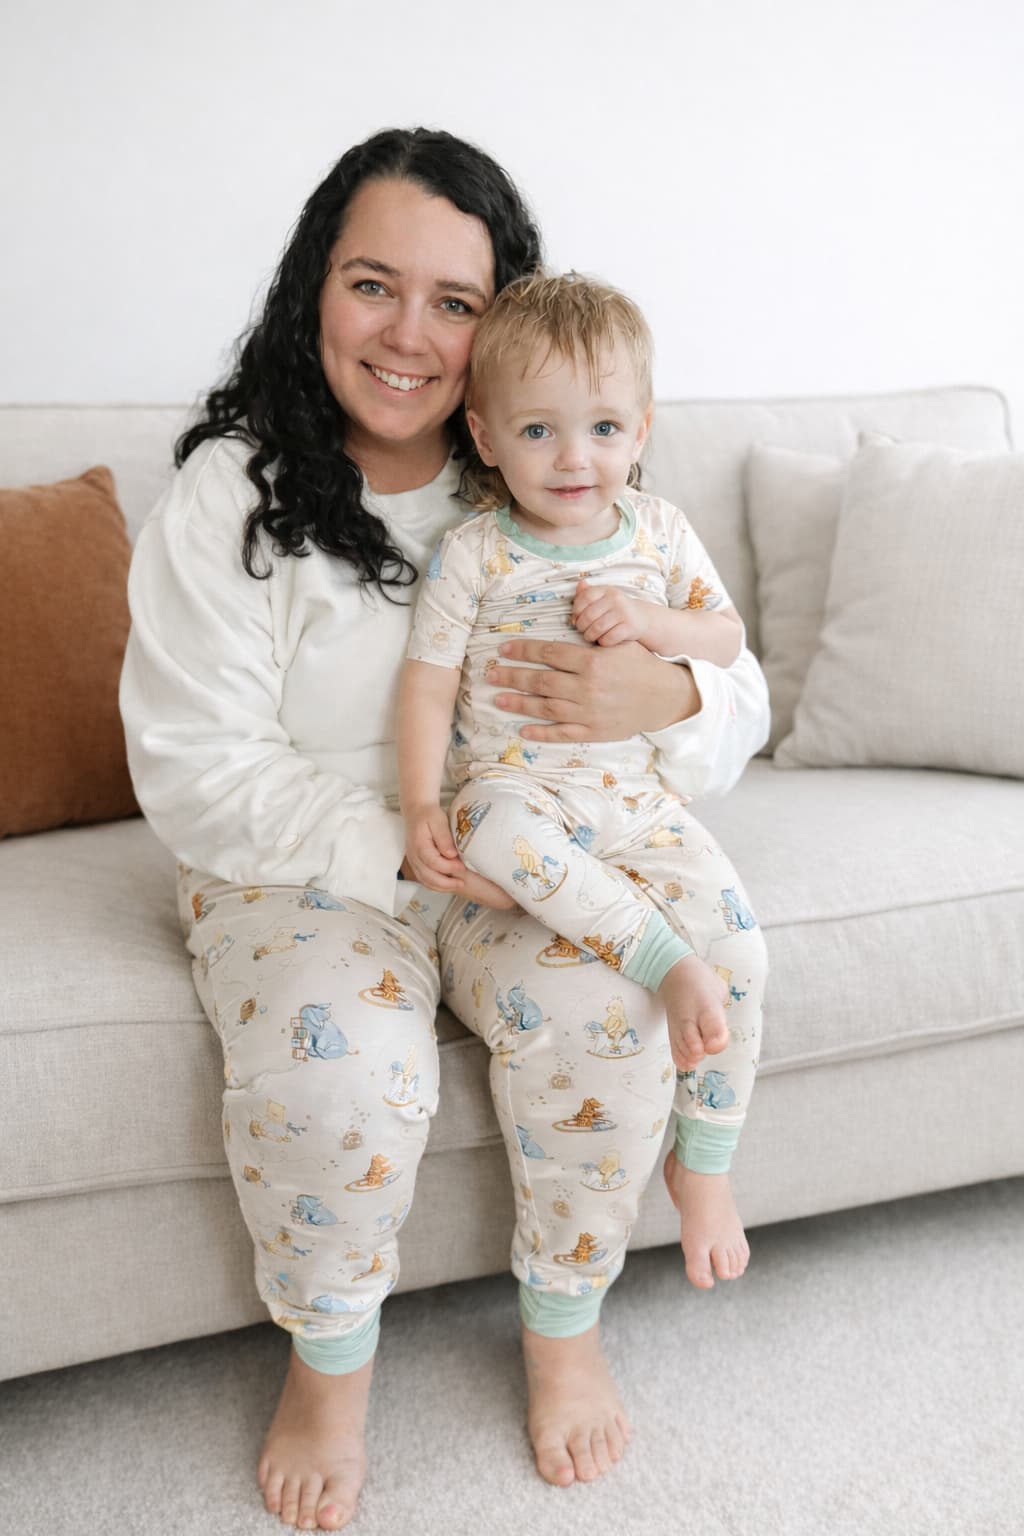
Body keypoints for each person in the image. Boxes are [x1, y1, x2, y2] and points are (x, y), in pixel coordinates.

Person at [119, 127, 769, 1533]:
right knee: (343, 1067)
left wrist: (655, 686)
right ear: (313, 290)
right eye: (372, 283)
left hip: (530, 849)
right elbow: (192, 768)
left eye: (456, 302)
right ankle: (330, 1365)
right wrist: (406, 852)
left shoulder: (552, 466)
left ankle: (566, 1323)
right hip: (308, 868)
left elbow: (735, 702)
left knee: (613, 1011)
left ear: (505, 329)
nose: (411, 334)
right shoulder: (232, 497)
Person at [399, 265, 763, 1296]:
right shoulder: (472, 554)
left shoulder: (657, 532)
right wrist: (425, 803)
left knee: (739, 940)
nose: (575, 460)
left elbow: (727, 637)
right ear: (483, 436)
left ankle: (705, 1166)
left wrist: (655, 626)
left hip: (636, 800)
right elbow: (426, 689)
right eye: (539, 432)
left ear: (640, 429)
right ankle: (657, 958)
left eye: (604, 429)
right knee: (496, 840)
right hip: (523, 795)